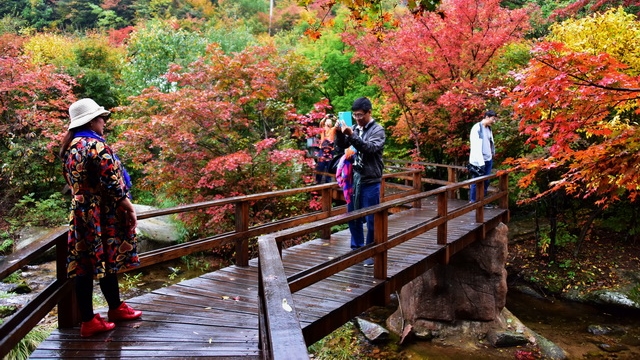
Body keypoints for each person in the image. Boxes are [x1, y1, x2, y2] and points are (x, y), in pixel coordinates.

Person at [59, 98, 142, 338]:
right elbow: (112, 182)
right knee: (107, 256)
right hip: (101, 212)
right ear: (92, 121)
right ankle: (104, 313)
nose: (104, 122)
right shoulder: (95, 146)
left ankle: (97, 316)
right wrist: (128, 206)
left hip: (81, 211)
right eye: (101, 118)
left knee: (84, 262)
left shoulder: (70, 146)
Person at [335, 97, 386, 266]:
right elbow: (342, 147)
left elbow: (370, 148)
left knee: (371, 218)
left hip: (370, 180)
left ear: (369, 112)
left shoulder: (377, 130)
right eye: (355, 115)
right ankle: (356, 248)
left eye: (360, 115)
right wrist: (339, 133)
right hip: (354, 179)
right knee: (352, 215)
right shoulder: (355, 127)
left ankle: (370, 252)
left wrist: (352, 134)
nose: (357, 118)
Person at [468, 110, 498, 203]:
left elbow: (490, 142)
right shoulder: (477, 128)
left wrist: (492, 154)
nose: (494, 121)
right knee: (476, 181)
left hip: (488, 159)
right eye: (493, 119)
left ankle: (482, 201)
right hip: (479, 161)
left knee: (486, 181)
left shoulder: (489, 128)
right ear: (487, 117)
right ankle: (473, 201)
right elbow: (476, 147)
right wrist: (481, 163)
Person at [315, 114, 336, 183]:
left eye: (330, 122)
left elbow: (338, 125)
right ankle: (318, 181)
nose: (329, 123)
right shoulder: (322, 129)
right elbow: (321, 123)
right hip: (322, 150)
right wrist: (325, 117)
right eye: (327, 122)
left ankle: (328, 181)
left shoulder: (333, 129)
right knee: (320, 166)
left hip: (330, 150)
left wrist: (334, 118)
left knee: (329, 166)